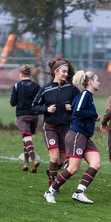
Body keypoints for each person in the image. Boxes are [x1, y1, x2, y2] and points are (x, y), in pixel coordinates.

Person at [43, 69, 101, 204]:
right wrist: (93, 115)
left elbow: (74, 106)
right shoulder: (85, 94)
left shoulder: (86, 96)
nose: (99, 83)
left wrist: (94, 117)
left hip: (84, 136)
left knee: (96, 163)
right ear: (91, 82)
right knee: (73, 168)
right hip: (77, 135)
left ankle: (79, 193)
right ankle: (49, 192)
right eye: (97, 80)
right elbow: (78, 111)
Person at [32, 58, 80, 188]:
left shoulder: (72, 89)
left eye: (67, 72)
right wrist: (46, 109)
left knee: (63, 160)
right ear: (56, 71)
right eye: (64, 71)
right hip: (50, 128)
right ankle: (52, 185)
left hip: (66, 128)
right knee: (54, 157)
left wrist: (72, 107)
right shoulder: (46, 89)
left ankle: (51, 172)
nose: (66, 74)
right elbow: (34, 107)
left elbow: (80, 105)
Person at [10, 64, 40, 172]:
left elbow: (13, 103)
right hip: (34, 116)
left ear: (21, 74)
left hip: (22, 116)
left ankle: (34, 159)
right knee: (26, 138)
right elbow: (40, 101)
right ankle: (26, 164)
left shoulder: (17, 86)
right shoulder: (36, 86)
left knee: (27, 138)